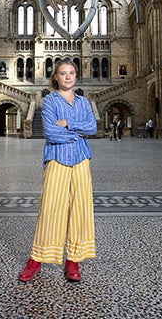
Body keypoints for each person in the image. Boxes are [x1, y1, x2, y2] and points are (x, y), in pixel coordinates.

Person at [18, 58, 98, 283]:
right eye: (63, 73)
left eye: (71, 72)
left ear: (76, 75)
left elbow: (92, 127)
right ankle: (36, 260)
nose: (68, 76)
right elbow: (51, 133)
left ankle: (73, 261)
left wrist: (68, 123)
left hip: (81, 161)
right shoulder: (50, 101)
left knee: (80, 211)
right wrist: (77, 131)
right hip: (57, 160)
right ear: (55, 77)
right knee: (51, 210)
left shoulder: (83, 101)